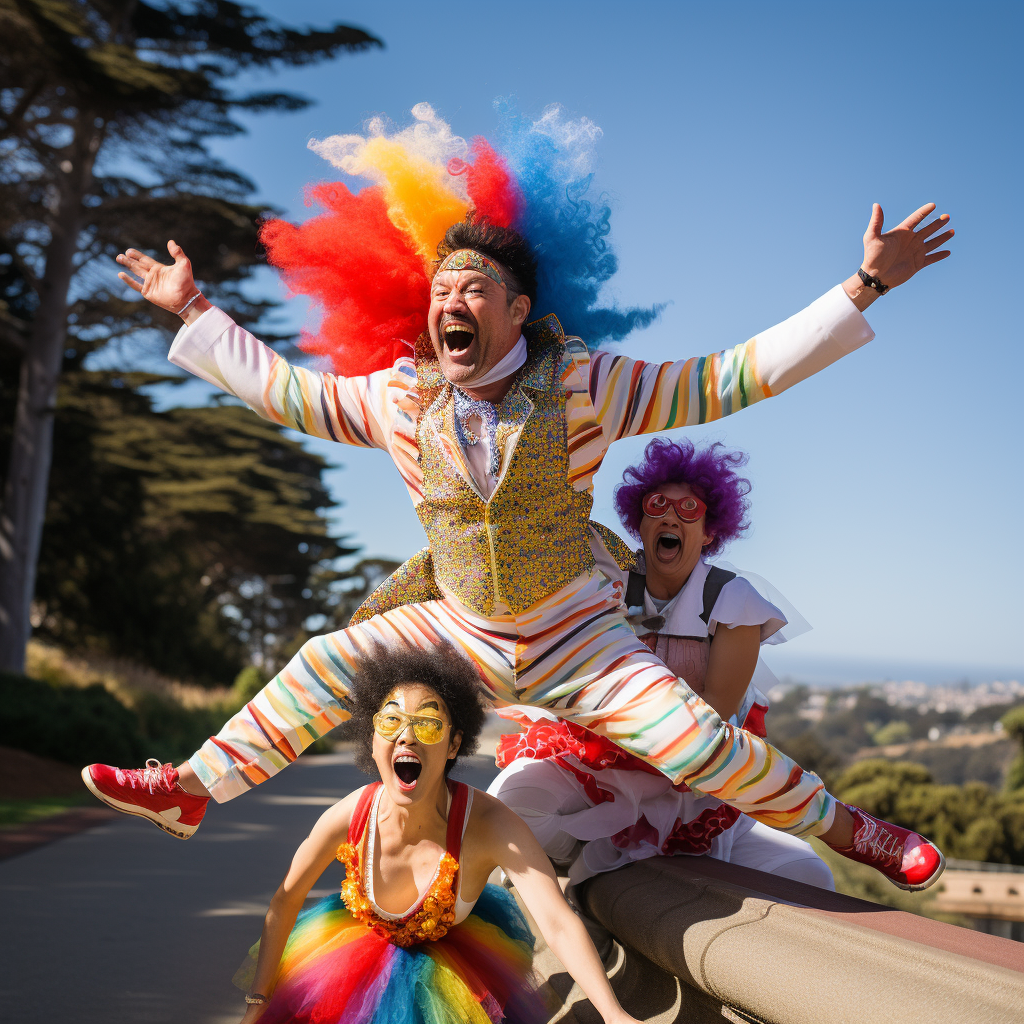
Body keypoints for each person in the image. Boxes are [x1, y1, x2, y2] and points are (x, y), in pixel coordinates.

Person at [82, 106, 952, 891]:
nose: (448, 302)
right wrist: (192, 306)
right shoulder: (401, 398)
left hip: (577, 629)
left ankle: (857, 832)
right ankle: (191, 789)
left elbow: (730, 378)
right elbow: (288, 392)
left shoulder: (585, 384)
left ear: (518, 308)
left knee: (702, 747)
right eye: (438, 293)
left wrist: (862, 288)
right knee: (323, 662)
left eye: (471, 290)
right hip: (461, 625)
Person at [233, 640, 641, 1024]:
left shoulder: (490, 824)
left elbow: (556, 920)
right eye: (391, 721)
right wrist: (259, 1001)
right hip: (348, 975)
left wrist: (613, 1014)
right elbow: (285, 901)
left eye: (428, 723)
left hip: (455, 983)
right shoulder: (349, 815)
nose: (406, 735)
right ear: (373, 740)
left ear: (452, 744)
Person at [490, 438, 834, 890]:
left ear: (711, 531)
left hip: (692, 780)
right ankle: (595, 874)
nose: (671, 516)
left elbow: (715, 712)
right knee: (505, 807)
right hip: (597, 762)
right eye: (658, 505)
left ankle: (617, 870)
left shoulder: (733, 601)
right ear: (640, 521)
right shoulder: (604, 579)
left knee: (809, 873)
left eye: (690, 508)